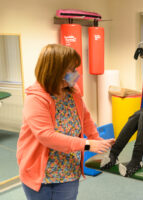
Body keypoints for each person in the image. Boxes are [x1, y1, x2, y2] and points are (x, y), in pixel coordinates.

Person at [17, 44, 115, 200]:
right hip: (40, 173)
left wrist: (97, 140)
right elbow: (46, 136)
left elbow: (85, 117)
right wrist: (88, 144)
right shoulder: (35, 99)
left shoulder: (73, 90)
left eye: (76, 69)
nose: (76, 74)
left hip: (68, 169)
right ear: (54, 71)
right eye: (72, 69)